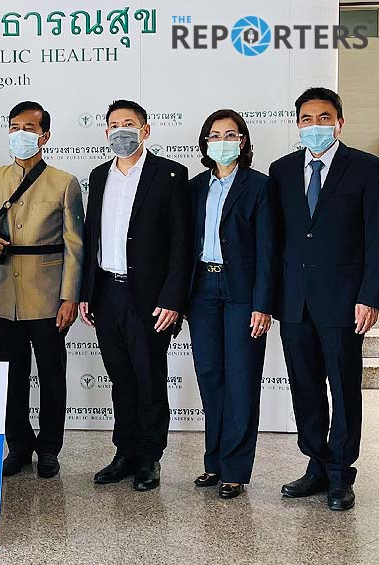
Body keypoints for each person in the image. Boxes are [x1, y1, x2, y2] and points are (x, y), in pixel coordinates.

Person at [0, 101, 84, 479]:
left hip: (48, 294)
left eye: (29, 128)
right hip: (3, 294)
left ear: (45, 136)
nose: (21, 134)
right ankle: (17, 445)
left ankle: (49, 448)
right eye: (15, 127)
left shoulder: (64, 183)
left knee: (51, 375)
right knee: (11, 376)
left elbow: (75, 245)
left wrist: (70, 297)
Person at [270, 87, 379, 511]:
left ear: (339, 122)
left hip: (344, 301)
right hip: (294, 301)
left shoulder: (366, 168)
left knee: (345, 388)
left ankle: (340, 474)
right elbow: (277, 240)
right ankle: (316, 464)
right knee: (305, 386)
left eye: (324, 117)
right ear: (297, 124)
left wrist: (370, 296)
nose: (314, 126)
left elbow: (375, 238)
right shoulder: (281, 170)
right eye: (307, 119)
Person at [79, 100, 192, 491]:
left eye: (129, 123)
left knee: (149, 378)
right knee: (121, 379)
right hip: (106, 292)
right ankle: (124, 453)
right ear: (105, 132)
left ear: (145, 130)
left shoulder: (170, 174)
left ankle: (149, 457)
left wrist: (173, 299)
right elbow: (91, 237)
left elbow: (181, 243)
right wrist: (86, 292)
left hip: (149, 296)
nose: (121, 131)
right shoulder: (99, 175)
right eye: (114, 125)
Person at [186, 110, 275, 499]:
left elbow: (268, 251)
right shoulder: (194, 187)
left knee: (241, 379)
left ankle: (235, 470)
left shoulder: (260, 186)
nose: (222, 141)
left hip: (242, 292)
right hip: (202, 289)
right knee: (210, 377)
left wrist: (263, 304)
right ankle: (214, 462)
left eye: (230, 134)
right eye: (215, 135)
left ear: (243, 141)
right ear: (205, 142)